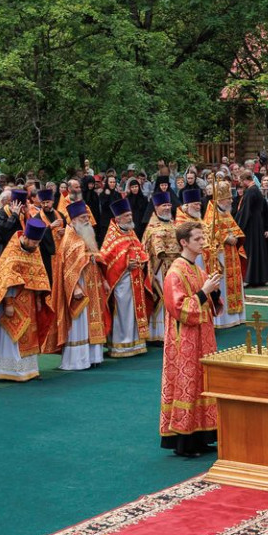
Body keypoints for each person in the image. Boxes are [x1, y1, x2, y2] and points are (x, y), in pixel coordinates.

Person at [0, 216, 56, 382]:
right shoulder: (11, 253)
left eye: (38, 243)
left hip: (29, 300)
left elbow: (40, 274)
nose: (36, 246)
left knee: (29, 333)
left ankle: (30, 370)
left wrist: (38, 298)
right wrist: (8, 303)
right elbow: (6, 280)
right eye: (34, 242)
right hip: (12, 300)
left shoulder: (34, 250)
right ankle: (11, 371)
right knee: (11, 335)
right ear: (25, 237)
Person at [158, 219, 220, 457]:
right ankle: (184, 442)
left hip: (203, 337)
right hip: (184, 339)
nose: (202, 242)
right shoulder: (175, 272)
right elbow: (180, 309)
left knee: (202, 382)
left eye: (202, 237)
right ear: (184, 242)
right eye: (197, 239)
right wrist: (205, 292)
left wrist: (214, 292)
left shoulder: (197, 269)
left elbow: (208, 303)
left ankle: (202, 435)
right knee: (187, 384)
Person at [50, 199, 109, 371]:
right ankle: (78, 360)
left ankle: (93, 356)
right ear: (74, 220)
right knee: (79, 322)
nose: (87, 220)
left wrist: (104, 280)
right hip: (79, 286)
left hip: (93, 284)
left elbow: (95, 259)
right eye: (83, 218)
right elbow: (67, 268)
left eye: (87, 217)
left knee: (92, 319)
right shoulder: (69, 239)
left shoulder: (87, 235)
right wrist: (75, 287)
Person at [98, 197, 150, 358]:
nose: (130, 218)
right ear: (118, 218)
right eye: (126, 216)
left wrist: (141, 260)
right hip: (121, 281)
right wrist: (126, 264)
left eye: (130, 215)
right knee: (123, 311)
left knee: (134, 311)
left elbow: (140, 251)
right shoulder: (112, 237)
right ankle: (121, 345)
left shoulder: (131, 233)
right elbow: (106, 260)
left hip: (136, 279)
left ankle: (136, 342)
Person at [202, 179, 247, 326]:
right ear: (220, 199)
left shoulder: (226, 213)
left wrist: (237, 237)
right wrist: (227, 238)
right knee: (223, 284)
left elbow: (235, 229)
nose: (231, 200)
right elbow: (210, 232)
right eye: (228, 198)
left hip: (232, 254)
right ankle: (224, 319)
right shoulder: (212, 214)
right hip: (220, 256)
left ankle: (236, 317)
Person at [142, 189, 180, 346]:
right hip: (159, 268)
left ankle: (174, 330)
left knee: (175, 297)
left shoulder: (173, 223)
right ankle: (158, 334)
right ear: (156, 207)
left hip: (174, 266)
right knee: (162, 298)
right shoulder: (152, 227)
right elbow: (154, 248)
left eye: (169, 205)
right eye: (164, 205)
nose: (167, 208)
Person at [234, 171, 268, 288]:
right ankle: (259, 278)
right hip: (257, 223)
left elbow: (245, 211)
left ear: (246, 180)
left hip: (251, 224)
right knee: (257, 250)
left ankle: (251, 278)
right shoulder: (255, 190)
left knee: (251, 250)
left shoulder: (251, 191)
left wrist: (238, 226)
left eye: (241, 181)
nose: (241, 184)